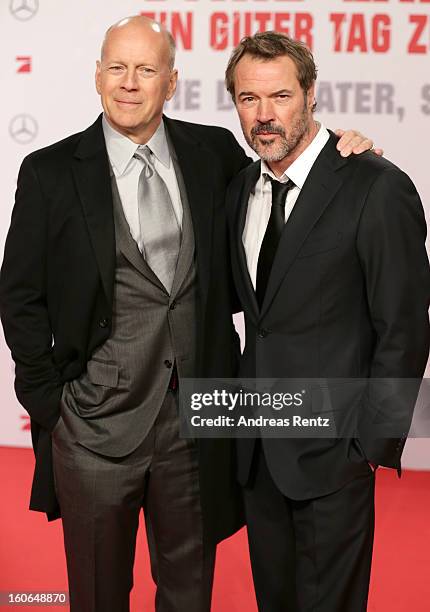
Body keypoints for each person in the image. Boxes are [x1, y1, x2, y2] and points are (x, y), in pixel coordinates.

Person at [0, 15, 378, 612]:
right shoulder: (48, 172)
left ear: (171, 82)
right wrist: (52, 405)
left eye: (146, 69)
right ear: (97, 77)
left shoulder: (214, 153)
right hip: (93, 430)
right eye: (117, 68)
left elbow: (286, 186)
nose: (130, 82)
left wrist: (344, 149)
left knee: (188, 595)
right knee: (98, 597)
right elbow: (19, 298)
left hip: (196, 427)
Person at [225, 31, 430, 612]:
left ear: (312, 94)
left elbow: (404, 327)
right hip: (259, 447)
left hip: (335, 454)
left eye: (281, 96)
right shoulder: (241, 187)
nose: (265, 116)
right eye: (248, 99)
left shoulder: (375, 186)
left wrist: (371, 444)